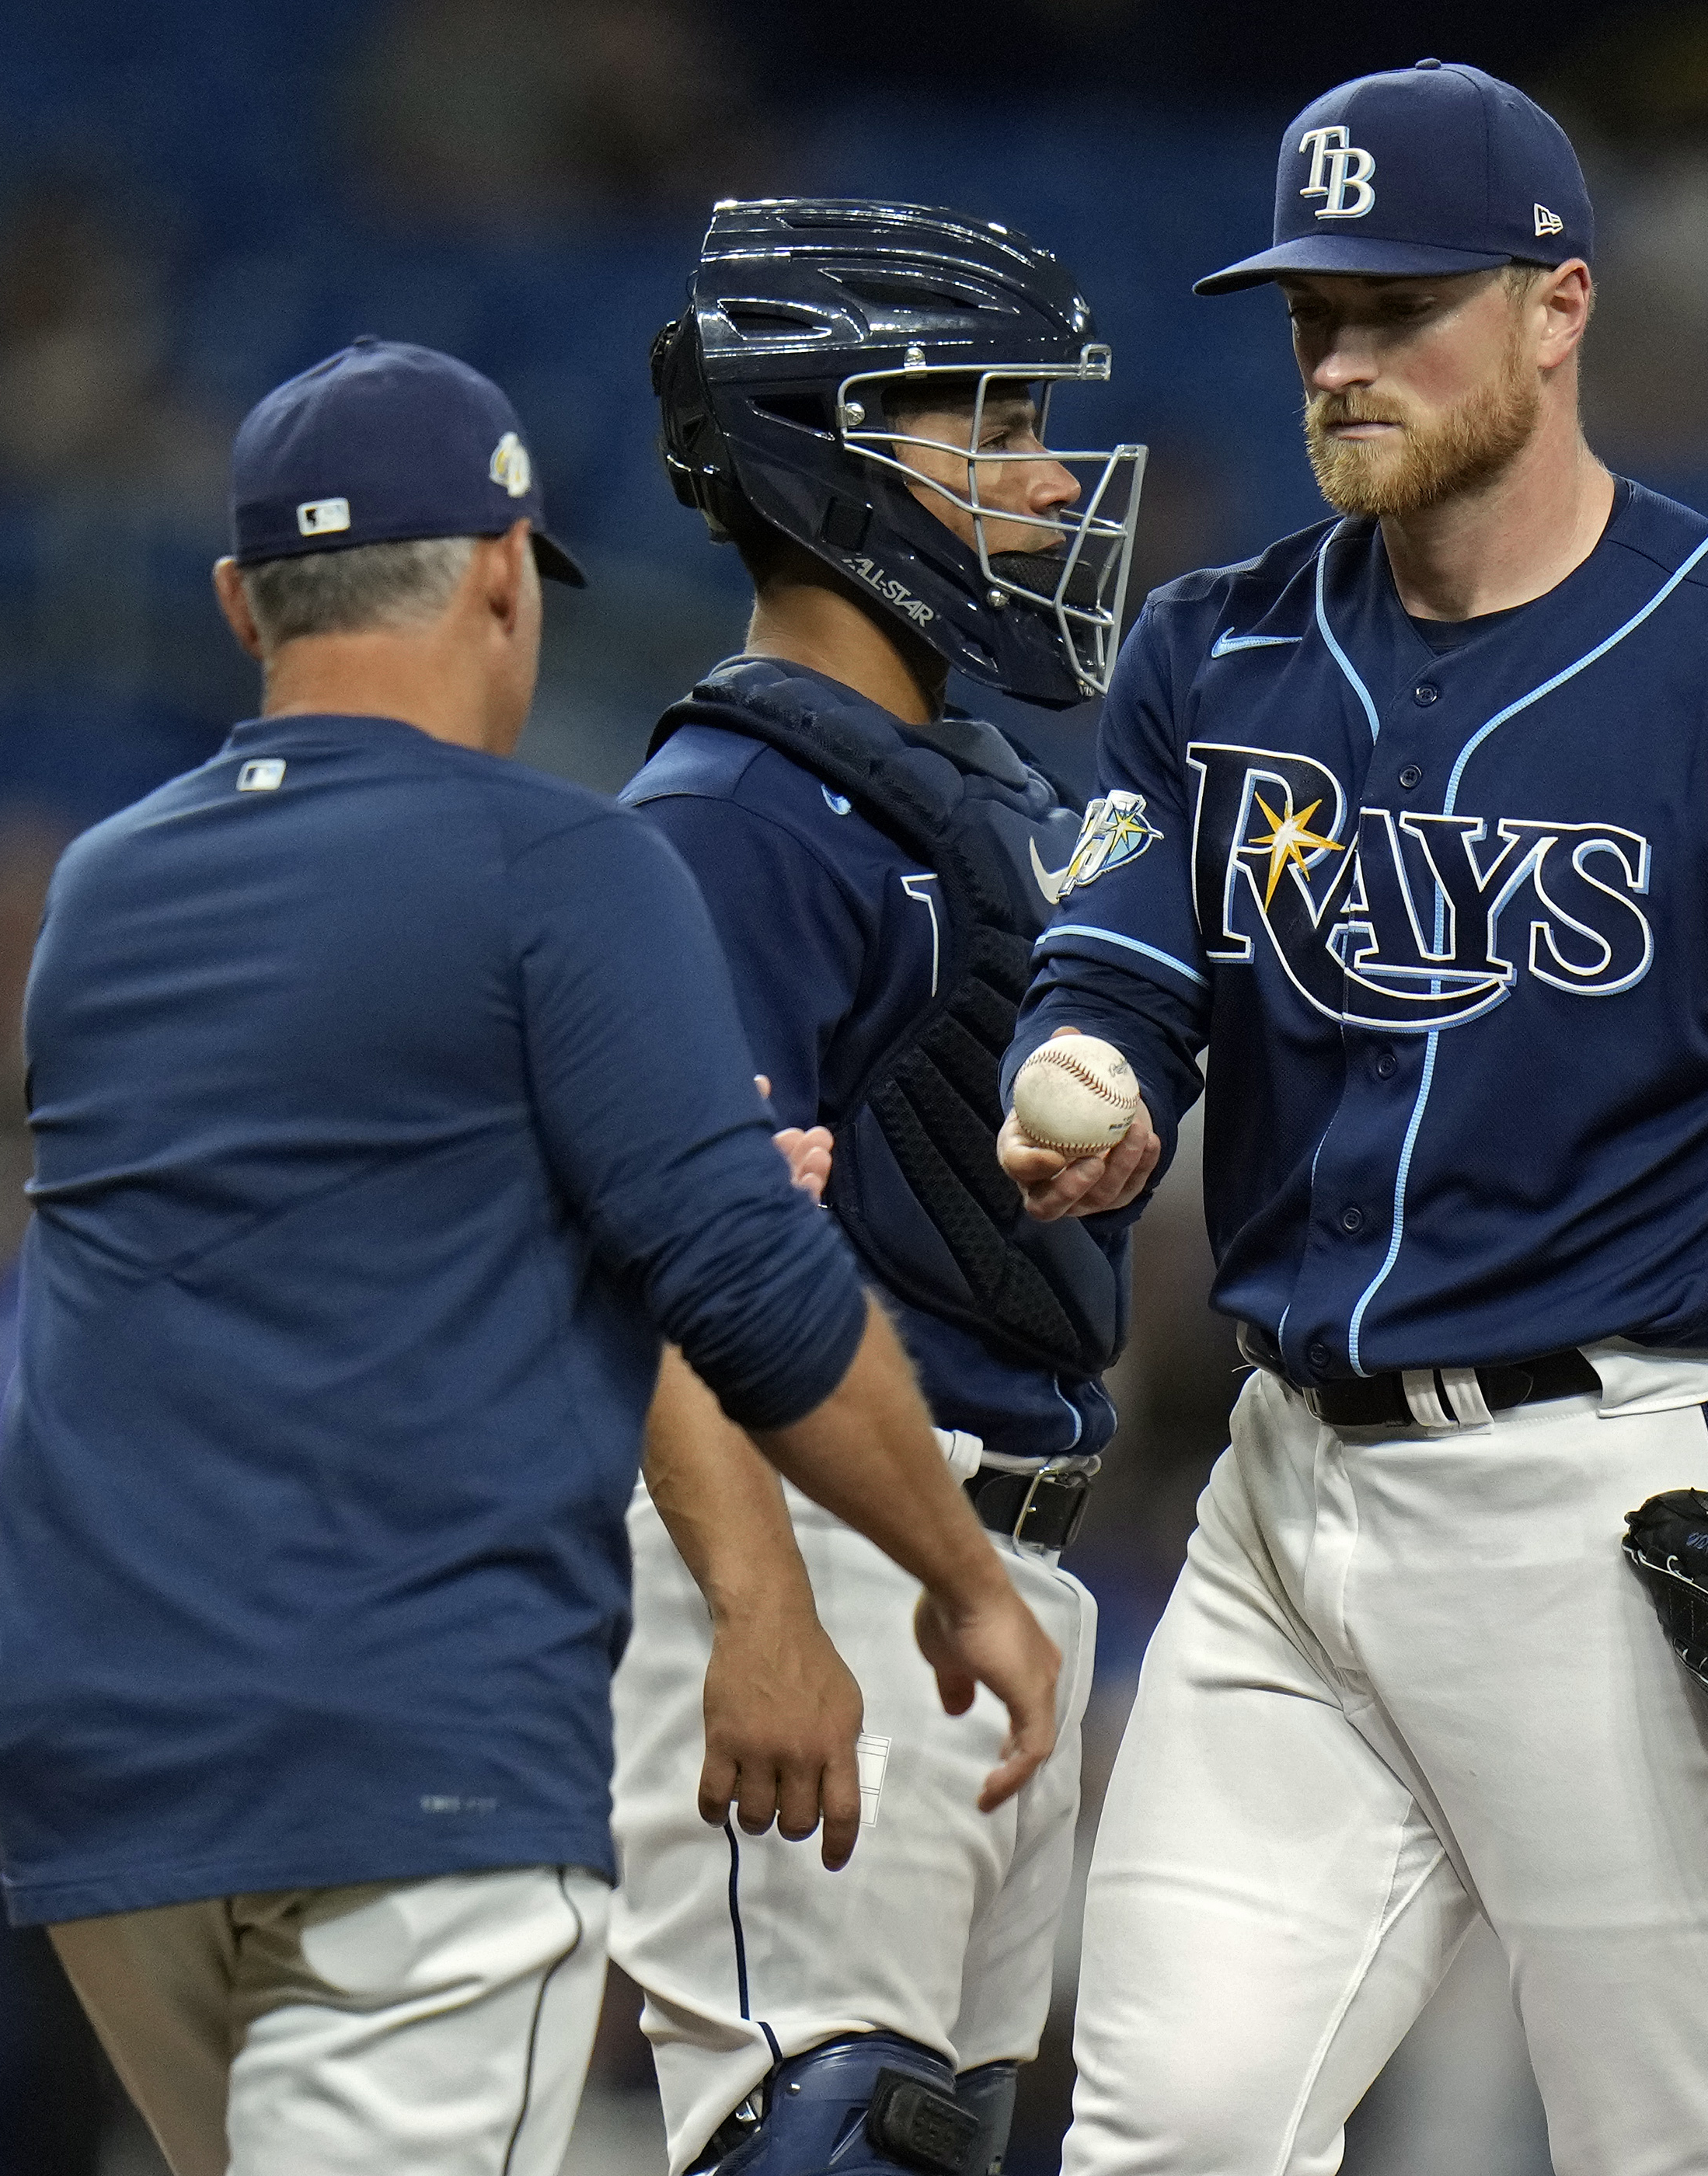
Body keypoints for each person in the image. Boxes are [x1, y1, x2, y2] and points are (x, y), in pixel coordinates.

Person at [1002, 62, 1708, 2175]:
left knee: (1685, 2156)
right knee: (1175, 2130)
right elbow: (1116, 971)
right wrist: (1097, 1082)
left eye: (1401, 305)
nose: (1342, 357)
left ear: (1557, 307)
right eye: (1312, 313)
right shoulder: (1214, 654)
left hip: (1620, 1500)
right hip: (1284, 1499)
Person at [0, 336, 1062, 2176]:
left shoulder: (99, 892)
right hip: (411, 1742)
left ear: (244, 599)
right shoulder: (559, 867)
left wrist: (607, 1179)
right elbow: (757, 1291)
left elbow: (338, 1197)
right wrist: (958, 1574)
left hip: (101, 1757)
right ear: (499, 575)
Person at [606, 199, 1149, 2176]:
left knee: (930, 2134)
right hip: (819, 1570)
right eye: (985, 424)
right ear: (833, 458)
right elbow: (659, 1258)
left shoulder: (963, 792)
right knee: (828, 2136)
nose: (1048, 474)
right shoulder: (727, 818)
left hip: (988, 1569)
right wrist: (762, 1613)